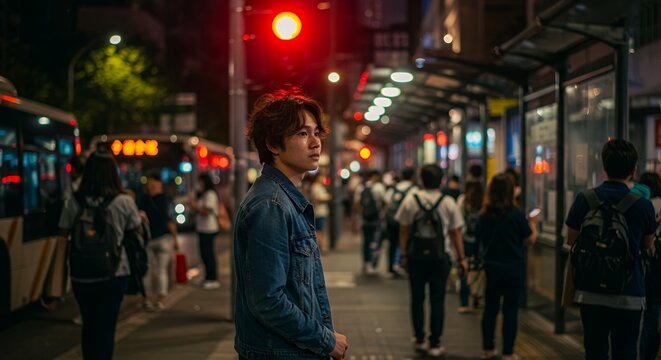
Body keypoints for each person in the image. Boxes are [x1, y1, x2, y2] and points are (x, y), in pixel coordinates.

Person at [234, 88, 348, 359]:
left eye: (316, 132)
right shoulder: (271, 205)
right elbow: (267, 300)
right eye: (302, 133)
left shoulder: (282, 199)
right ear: (272, 145)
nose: (315, 142)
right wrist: (325, 340)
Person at [565, 139, 656, 360]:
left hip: (590, 291)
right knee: (625, 352)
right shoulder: (643, 205)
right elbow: (648, 244)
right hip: (629, 293)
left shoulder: (584, 199)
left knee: (595, 353)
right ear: (633, 170)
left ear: (603, 166)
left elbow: (570, 239)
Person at [57, 151, 142, 360]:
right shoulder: (124, 201)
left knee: (89, 326)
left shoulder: (73, 201)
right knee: (106, 329)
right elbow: (137, 232)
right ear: (113, 173)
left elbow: (62, 232)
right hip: (114, 272)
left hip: (81, 274)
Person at [394, 164, 466, 357]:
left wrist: (404, 254)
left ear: (421, 180)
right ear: (441, 180)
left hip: (416, 258)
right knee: (437, 300)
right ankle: (435, 343)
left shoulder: (411, 200)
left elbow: (403, 229)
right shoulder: (448, 202)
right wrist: (461, 258)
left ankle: (418, 338)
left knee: (417, 299)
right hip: (440, 258)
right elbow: (456, 232)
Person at [478, 174, 538, 360]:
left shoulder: (484, 214)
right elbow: (529, 239)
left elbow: (480, 239)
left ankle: (488, 350)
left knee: (490, 309)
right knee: (510, 311)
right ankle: (508, 353)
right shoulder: (515, 214)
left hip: (492, 268)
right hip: (513, 269)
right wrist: (533, 224)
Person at [139, 171, 178, 310]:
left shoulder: (142, 199)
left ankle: (146, 299)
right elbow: (170, 221)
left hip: (148, 239)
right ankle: (160, 300)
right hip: (164, 238)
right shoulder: (165, 199)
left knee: (147, 270)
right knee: (161, 270)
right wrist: (175, 239)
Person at [638, 171, 661, 360]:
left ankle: (646, 355)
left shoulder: (641, 205)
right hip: (659, 267)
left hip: (646, 266)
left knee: (650, 313)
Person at [188, 173, 220, 289]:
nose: (199, 185)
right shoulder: (203, 194)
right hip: (202, 228)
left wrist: (193, 205)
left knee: (208, 254)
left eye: (200, 182)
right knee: (204, 254)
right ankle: (207, 277)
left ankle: (213, 278)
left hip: (209, 228)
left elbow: (206, 211)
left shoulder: (210, 194)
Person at [457, 180, 484, 313]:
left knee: (464, 269)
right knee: (479, 269)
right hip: (480, 242)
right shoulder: (484, 201)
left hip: (466, 240)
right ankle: (477, 297)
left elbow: (458, 222)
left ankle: (464, 302)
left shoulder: (463, 201)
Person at [384, 167, 417, 277]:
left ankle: (390, 267)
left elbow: (386, 202)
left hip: (392, 221)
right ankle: (401, 264)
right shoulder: (414, 190)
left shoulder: (393, 188)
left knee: (392, 244)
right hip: (407, 222)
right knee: (404, 243)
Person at [353, 170, 387, 275]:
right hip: (377, 219)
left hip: (364, 219)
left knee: (366, 242)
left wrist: (357, 217)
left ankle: (366, 263)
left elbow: (357, 204)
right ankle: (373, 264)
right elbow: (385, 202)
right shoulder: (379, 187)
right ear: (375, 176)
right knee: (376, 241)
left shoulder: (360, 188)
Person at [309, 173, 331, 252]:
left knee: (321, 230)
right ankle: (319, 247)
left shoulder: (320, 186)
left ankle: (321, 246)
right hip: (318, 211)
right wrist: (327, 198)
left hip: (322, 211)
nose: (323, 179)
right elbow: (316, 199)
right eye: (322, 177)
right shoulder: (315, 187)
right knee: (319, 230)